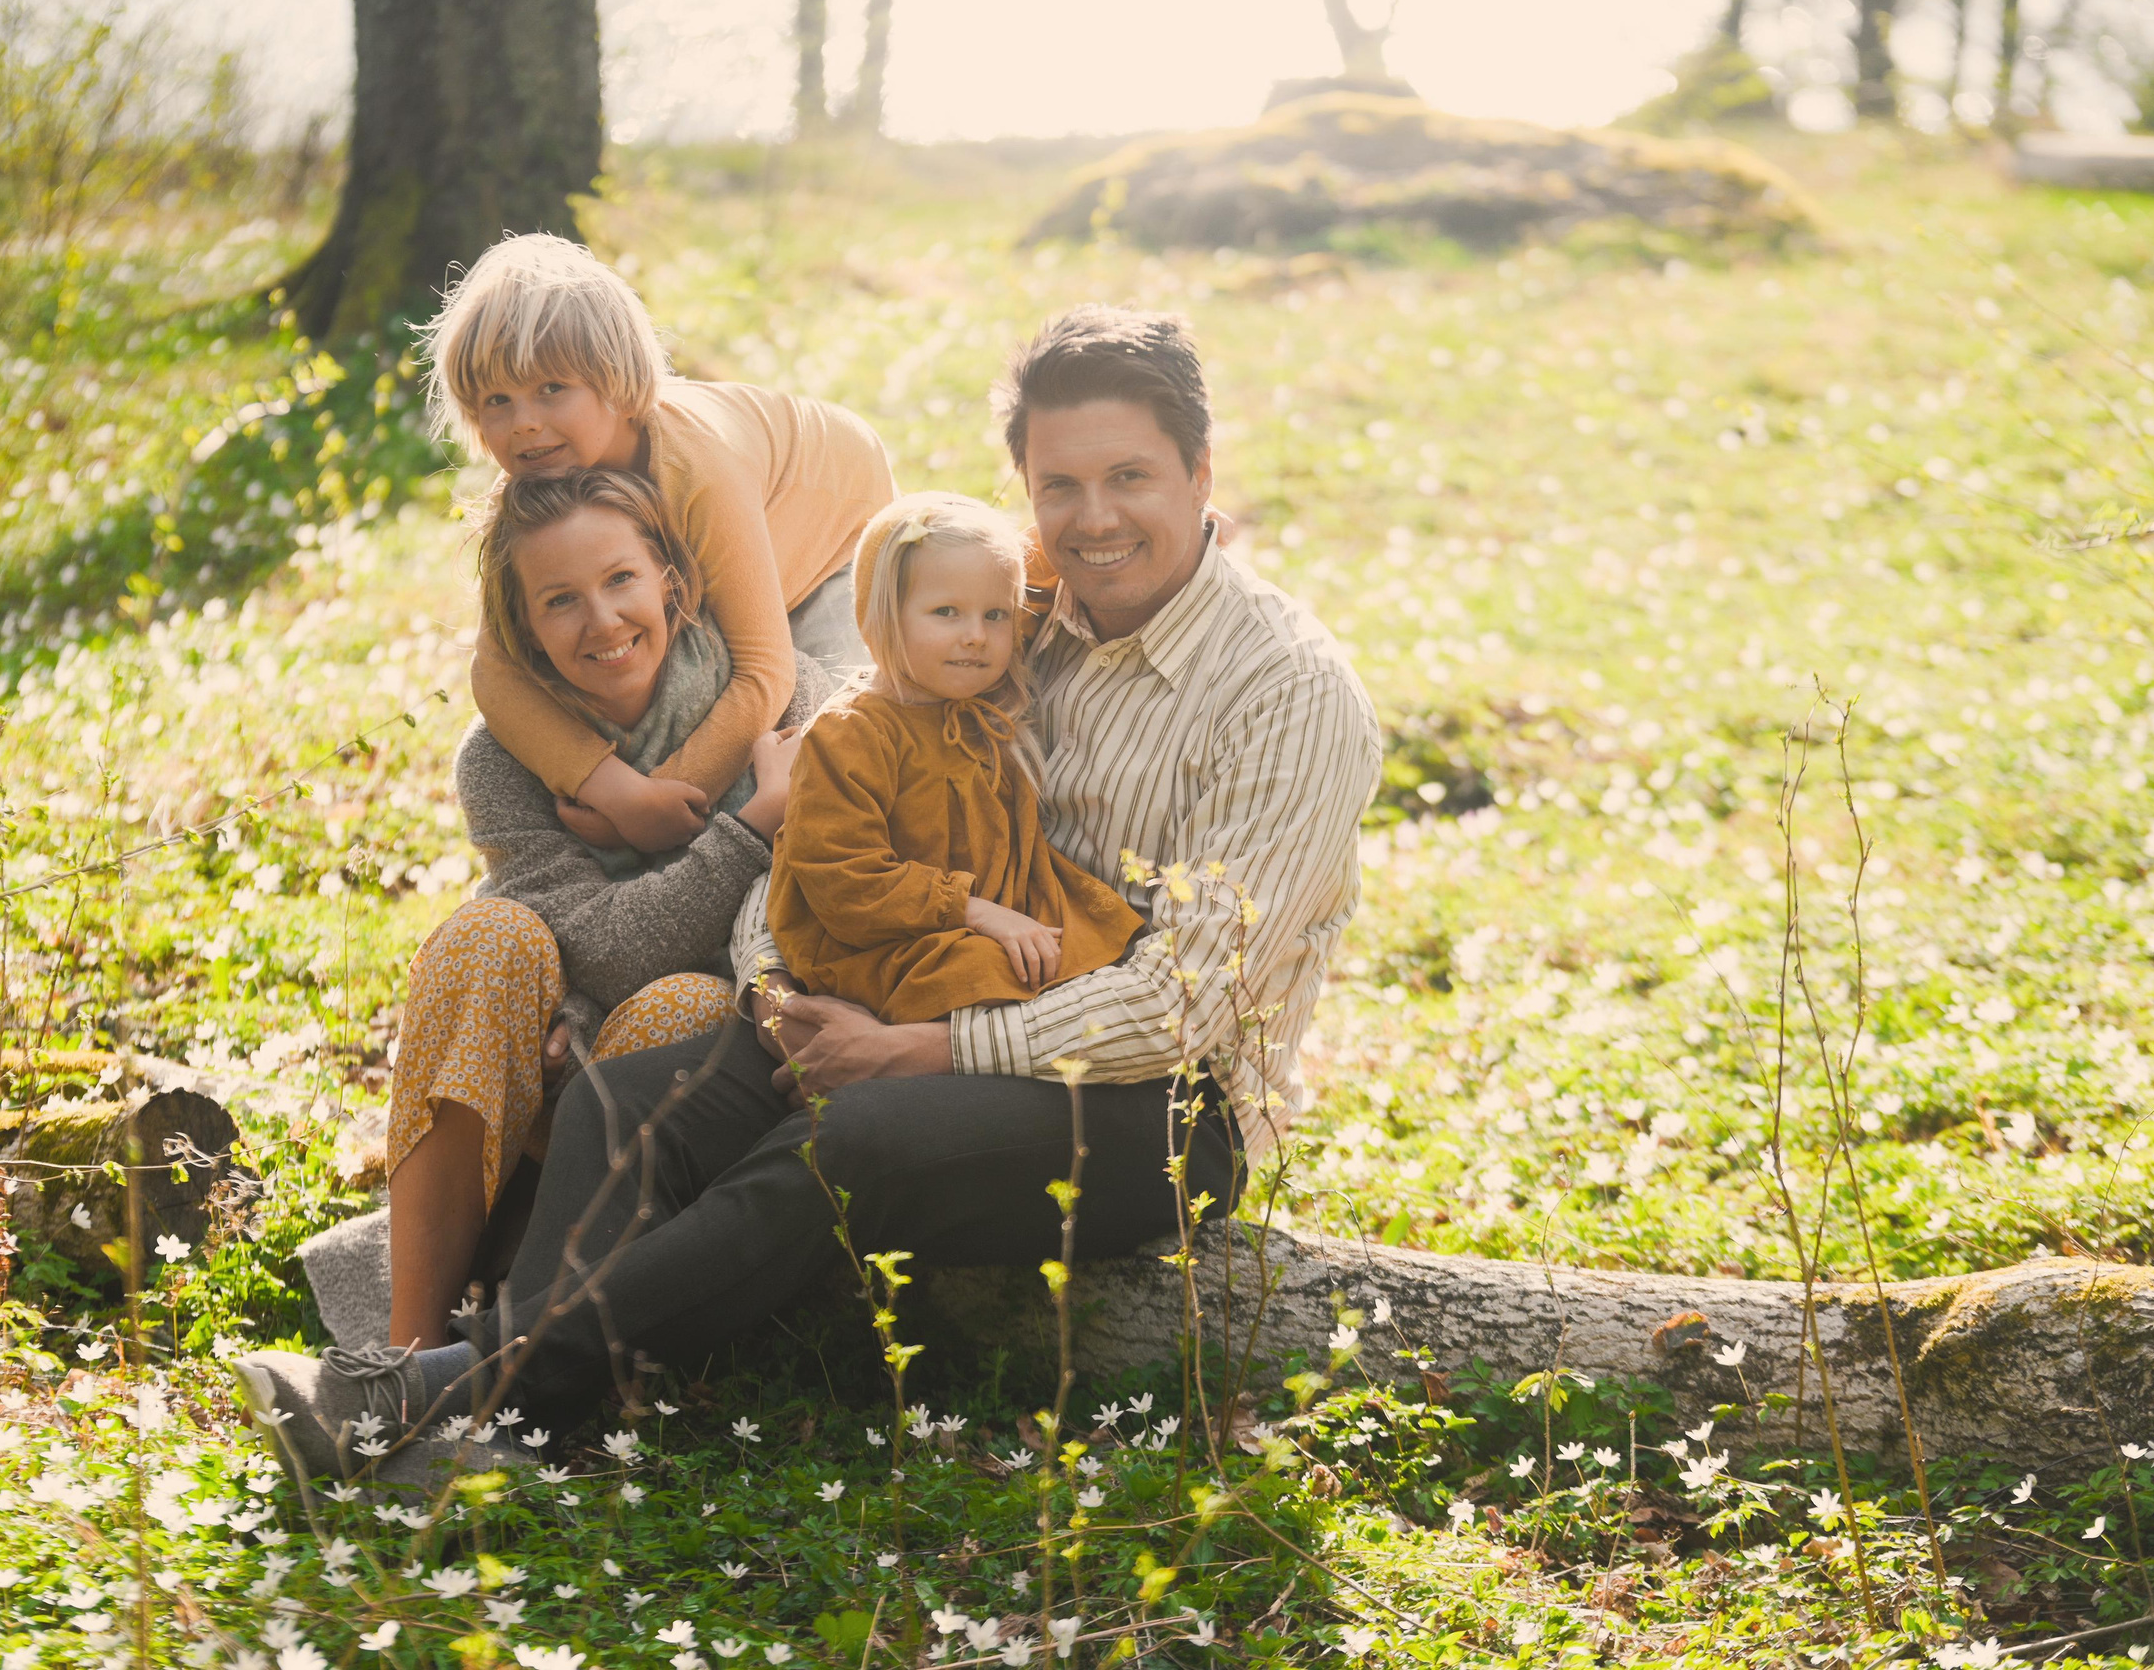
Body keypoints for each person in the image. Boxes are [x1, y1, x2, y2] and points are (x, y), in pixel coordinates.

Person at [239, 305, 1380, 1454]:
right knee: (630, 1102)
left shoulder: (1289, 694)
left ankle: (436, 1396)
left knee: (852, 1142)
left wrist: (917, 1052)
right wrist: (776, 991)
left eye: (1128, 477)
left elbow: (1187, 1004)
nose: (1091, 521)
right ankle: (511, 1431)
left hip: (1155, 1104)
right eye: (1056, 485)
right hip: (912, 987)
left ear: (1199, 470)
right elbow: (830, 806)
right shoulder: (999, 612)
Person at [231, 469, 834, 1471]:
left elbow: (736, 939)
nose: (600, 620)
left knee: (687, 1003)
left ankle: (525, 1358)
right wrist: (743, 829)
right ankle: (410, 1354)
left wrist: (599, 993)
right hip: (535, 1064)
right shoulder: (502, 757)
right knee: (488, 936)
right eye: (559, 600)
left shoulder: (783, 704)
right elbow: (586, 940)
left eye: (620, 580)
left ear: (674, 585)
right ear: (521, 627)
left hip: (675, 1092)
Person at [423, 232, 897, 856]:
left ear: (614, 382)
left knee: (844, 735)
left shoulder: (700, 469)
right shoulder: (541, 473)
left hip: (836, 528)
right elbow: (497, 673)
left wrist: (667, 796)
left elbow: (765, 670)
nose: (525, 424)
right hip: (725, 537)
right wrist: (615, 790)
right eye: (497, 401)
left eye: (551, 389)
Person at [767, 490, 1141, 1021]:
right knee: (993, 972)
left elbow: (1043, 582)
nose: (975, 637)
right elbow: (842, 879)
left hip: (997, 911)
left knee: (1106, 944)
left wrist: (1169, 531)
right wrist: (974, 912)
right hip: (888, 940)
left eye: (994, 615)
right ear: (882, 618)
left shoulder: (976, 691)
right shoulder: (852, 733)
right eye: (946, 612)